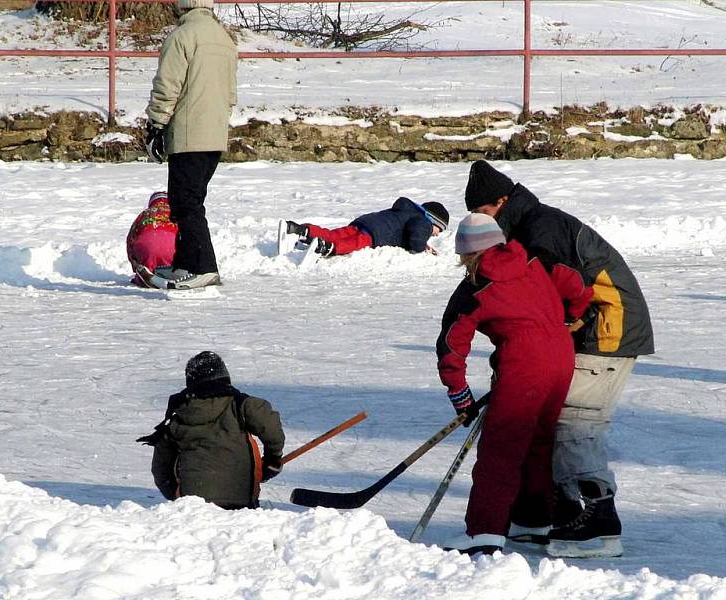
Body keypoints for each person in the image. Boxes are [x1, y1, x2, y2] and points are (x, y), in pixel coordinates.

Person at [464, 160, 654, 558]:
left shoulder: (540, 229)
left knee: (574, 423)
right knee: (551, 421)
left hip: (608, 328)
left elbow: (557, 294)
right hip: (591, 330)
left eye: (483, 213)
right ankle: (554, 513)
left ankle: (599, 521)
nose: (482, 224)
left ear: (501, 201)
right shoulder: (527, 226)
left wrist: (533, 349)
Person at [438, 214, 589, 556]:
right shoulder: (535, 259)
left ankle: (484, 531)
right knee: (538, 442)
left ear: (467, 253)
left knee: (500, 449)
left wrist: (460, 395)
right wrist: (567, 317)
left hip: (524, 363)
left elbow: (451, 343)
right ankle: (534, 521)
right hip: (562, 356)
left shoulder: (475, 287)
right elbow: (577, 286)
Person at [144, 0, 238, 290]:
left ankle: (205, 267)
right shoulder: (224, 39)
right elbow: (230, 93)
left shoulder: (182, 37)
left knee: (186, 203)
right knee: (188, 199)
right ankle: (185, 264)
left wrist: (155, 125)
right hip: (215, 133)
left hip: (188, 133)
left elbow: (167, 84)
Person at [137, 351, 285, 509]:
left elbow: (161, 470)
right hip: (241, 501)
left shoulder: (178, 417)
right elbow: (270, 428)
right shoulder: (241, 406)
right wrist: (273, 458)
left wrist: (179, 497)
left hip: (194, 507)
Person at [278, 198, 449, 257]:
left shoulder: (407, 210)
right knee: (353, 243)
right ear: (433, 221)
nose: (436, 234)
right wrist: (420, 249)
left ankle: (301, 229)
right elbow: (416, 238)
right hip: (376, 234)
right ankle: (328, 248)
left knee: (335, 233)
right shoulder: (424, 222)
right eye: (438, 230)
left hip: (365, 222)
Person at [126, 191, 178, 287]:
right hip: (172, 249)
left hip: (147, 247)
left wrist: (135, 265)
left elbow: (130, 240)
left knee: (149, 250)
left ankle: (147, 275)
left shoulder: (145, 214)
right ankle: (172, 274)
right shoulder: (176, 213)